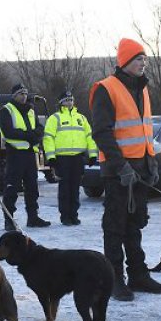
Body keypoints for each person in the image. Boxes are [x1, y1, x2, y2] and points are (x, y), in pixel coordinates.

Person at [91, 38, 161, 301]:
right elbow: (102, 133)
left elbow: (144, 131)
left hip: (141, 169)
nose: (143, 63)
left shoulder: (143, 89)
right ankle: (114, 279)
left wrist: (152, 161)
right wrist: (121, 166)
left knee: (135, 225)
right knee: (115, 227)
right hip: (118, 172)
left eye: (144, 59)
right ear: (124, 61)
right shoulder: (106, 88)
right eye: (138, 59)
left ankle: (138, 274)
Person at [0, 84, 50, 230]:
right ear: (14, 95)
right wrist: (30, 136)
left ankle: (33, 217)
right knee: (12, 188)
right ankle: (9, 219)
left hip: (29, 154)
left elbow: (39, 128)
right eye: (20, 93)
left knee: (32, 187)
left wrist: (35, 135)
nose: (24, 96)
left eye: (25, 93)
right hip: (15, 153)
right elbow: (9, 132)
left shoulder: (31, 110)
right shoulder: (6, 110)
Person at [42, 90, 97, 225]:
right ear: (61, 103)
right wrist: (51, 157)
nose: (69, 102)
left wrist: (93, 154)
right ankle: (65, 216)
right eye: (66, 100)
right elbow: (48, 138)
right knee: (65, 189)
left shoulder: (81, 118)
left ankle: (74, 215)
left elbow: (89, 137)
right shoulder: (54, 118)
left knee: (75, 188)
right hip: (62, 159)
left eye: (71, 100)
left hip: (78, 158)